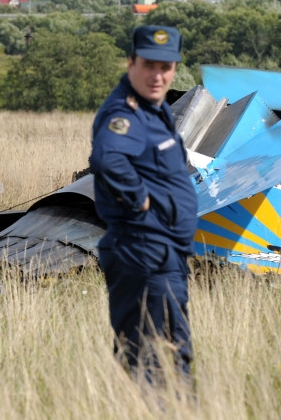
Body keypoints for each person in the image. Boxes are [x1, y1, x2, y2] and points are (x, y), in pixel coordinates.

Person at [89, 25, 199, 385]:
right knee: (151, 355)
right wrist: (141, 199)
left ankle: (172, 407)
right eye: (149, 65)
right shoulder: (125, 113)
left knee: (171, 349)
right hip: (143, 250)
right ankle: (157, 407)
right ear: (131, 63)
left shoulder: (155, 108)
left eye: (166, 67)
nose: (158, 76)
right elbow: (107, 158)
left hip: (163, 251)